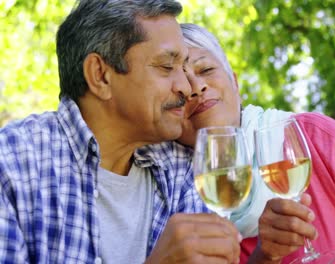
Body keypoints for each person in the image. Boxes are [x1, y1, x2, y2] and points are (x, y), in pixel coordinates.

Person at [0, 1, 242, 264]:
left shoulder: (181, 167)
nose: (186, 87)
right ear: (100, 75)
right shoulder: (13, 165)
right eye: (166, 66)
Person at [176, 23, 335, 263]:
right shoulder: (172, 211)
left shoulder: (307, 136)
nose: (196, 87)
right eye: (180, 88)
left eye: (205, 69)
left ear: (235, 84)